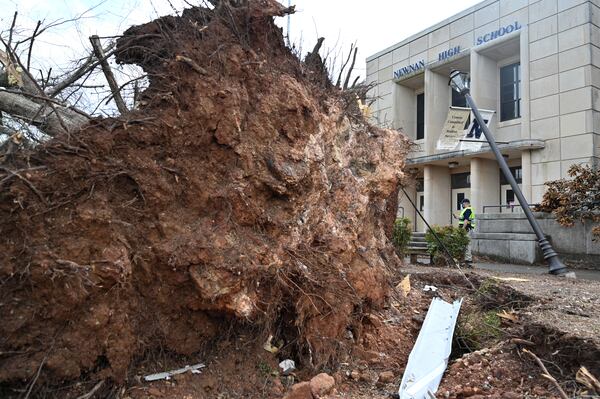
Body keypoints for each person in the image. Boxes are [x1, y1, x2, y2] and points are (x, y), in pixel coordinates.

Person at [458, 198, 476, 266]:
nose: (462, 205)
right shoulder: (467, 210)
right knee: (466, 244)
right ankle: (467, 258)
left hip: (466, 229)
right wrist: (457, 217)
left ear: (466, 203)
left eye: (463, 203)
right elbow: (463, 218)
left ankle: (468, 259)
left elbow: (466, 220)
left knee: (467, 244)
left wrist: (463, 228)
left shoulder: (468, 209)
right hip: (467, 229)